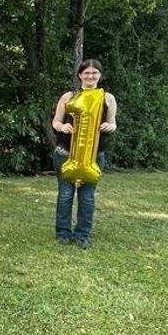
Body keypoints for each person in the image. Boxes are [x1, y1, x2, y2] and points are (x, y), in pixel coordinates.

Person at [51, 59, 118, 249]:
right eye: (86, 73)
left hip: (94, 156)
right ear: (80, 75)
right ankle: (63, 233)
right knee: (65, 194)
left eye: (94, 73)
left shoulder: (108, 98)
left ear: (100, 76)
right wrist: (62, 126)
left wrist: (110, 126)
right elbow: (55, 122)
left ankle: (82, 235)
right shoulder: (69, 97)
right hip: (65, 153)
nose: (90, 76)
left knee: (87, 196)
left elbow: (113, 123)